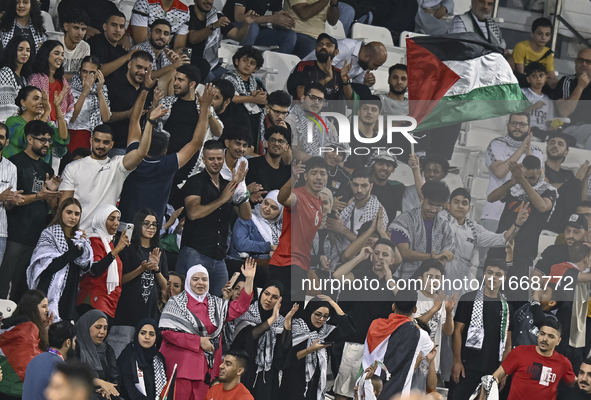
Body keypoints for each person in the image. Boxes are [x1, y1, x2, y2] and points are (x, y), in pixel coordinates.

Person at [58, 90, 163, 232]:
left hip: (103, 238)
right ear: (91, 141)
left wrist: (149, 122)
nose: (100, 145)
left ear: (112, 145)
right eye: (97, 141)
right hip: (76, 234)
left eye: (105, 142)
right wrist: (67, 234)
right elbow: (64, 205)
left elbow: (141, 153)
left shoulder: (118, 165)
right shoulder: (73, 167)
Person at [118, 81, 214, 227]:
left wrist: (145, 89)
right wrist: (205, 107)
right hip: (151, 229)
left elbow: (134, 120)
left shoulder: (132, 156)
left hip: (124, 225)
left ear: (144, 144)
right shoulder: (168, 165)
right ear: (165, 151)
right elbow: (196, 142)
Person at [159, 261, 255, 400]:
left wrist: (250, 279)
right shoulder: (175, 303)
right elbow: (167, 332)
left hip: (206, 372)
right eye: (195, 279)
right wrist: (198, 341)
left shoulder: (217, 304)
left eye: (204, 279)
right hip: (180, 369)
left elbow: (240, 307)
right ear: (188, 281)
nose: (200, 283)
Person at [178, 139, 251, 295]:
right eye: (211, 159)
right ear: (204, 160)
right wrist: (222, 199)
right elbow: (193, 213)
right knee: (190, 300)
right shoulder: (195, 182)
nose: (216, 162)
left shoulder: (227, 185)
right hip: (195, 252)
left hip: (219, 257)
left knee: (219, 303)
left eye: (219, 158)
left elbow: (246, 215)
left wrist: (241, 187)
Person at [0, 121, 62, 303]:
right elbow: (12, 200)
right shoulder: (14, 164)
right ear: (29, 139)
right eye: (42, 140)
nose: (46, 144)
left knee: (24, 285)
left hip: (36, 235)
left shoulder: (47, 169)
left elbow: (50, 207)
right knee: (4, 282)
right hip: (14, 233)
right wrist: (38, 195)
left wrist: (50, 194)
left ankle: (17, 324)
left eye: (49, 141)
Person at [488, 155, 557, 300]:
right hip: (499, 246)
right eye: (526, 177)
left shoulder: (548, 191)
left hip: (523, 253)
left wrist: (522, 181)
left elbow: (543, 206)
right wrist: (512, 182)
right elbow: (491, 198)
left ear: (540, 172)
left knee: (515, 297)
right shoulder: (514, 187)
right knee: (489, 293)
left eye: (532, 178)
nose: (528, 181)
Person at [270, 157, 328, 313]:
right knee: (285, 313)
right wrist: (293, 179)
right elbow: (282, 198)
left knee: (292, 314)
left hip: (299, 264)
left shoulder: (320, 201)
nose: (319, 177)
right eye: (314, 173)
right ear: (305, 176)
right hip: (286, 262)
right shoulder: (298, 195)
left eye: (323, 173)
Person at [450, 258, 513, 400]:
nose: (493, 278)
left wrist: (504, 372)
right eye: (490, 273)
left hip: (493, 370)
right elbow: (457, 332)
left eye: (498, 274)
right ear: (484, 273)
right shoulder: (468, 299)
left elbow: (508, 343)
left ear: (504, 278)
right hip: (466, 367)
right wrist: (457, 361)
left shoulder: (507, 307)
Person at [160, 65, 223, 207]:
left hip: (191, 168)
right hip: (167, 163)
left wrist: (206, 109)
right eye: (175, 79)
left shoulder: (202, 106)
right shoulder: (167, 103)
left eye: (180, 80)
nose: (175, 83)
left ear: (192, 84)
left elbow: (218, 132)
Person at [481, 112, 544, 252]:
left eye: (522, 124)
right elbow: (499, 172)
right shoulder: (496, 144)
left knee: (514, 262)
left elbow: (539, 182)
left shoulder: (537, 152)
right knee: (486, 263)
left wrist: (528, 153)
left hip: (524, 215)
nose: (517, 127)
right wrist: (521, 149)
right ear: (508, 125)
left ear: (529, 128)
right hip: (494, 213)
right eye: (514, 123)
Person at [444, 187, 527, 293]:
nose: (460, 206)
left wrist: (517, 223)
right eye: (456, 202)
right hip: (440, 275)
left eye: (464, 203)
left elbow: (503, 239)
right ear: (448, 205)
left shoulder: (474, 229)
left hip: (461, 280)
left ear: (469, 208)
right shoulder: (440, 221)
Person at [111, 209, 169, 356]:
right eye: (146, 224)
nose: (151, 228)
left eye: (154, 225)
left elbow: (165, 287)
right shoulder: (127, 248)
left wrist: (156, 269)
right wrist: (141, 269)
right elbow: (119, 280)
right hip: (126, 315)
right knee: (120, 357)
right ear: (138, 225)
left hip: (149, 317)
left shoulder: (159, 251)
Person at [27, 198, 93, 322]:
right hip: (48, 288)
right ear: (60, 212)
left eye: (77, 214)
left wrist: (82, 245)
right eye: (69, 212)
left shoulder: (81, 240)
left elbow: (86, 266)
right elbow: (52, 266)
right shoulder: (49, 234)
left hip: (70, 290)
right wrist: (76, 251)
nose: (73, 217)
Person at [361, 290, 435, 398]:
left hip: (368, 390)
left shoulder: (375, 324)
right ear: (415, 309)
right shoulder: (419, 334)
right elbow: (431, 345)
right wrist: (413, 322)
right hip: (396, 395)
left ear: (393, 306)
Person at [231, 282, 298, 399]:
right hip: (245, 371)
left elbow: (283, 352)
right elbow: (246, 339)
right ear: (261, 293)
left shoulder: (280, 321)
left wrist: (287, 324)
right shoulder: (247, 312)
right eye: (266, 294)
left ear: (279, 301)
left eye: (275, 297)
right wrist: (272, 319)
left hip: (267, 376)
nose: (269, 299)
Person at [283, 296, 355, 400]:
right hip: (293, 382)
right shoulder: (297, 327)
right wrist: (310, 350)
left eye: (325, 316)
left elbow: (349, 328)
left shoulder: (325, 332)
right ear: (310, 311)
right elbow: (288, 358)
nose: (321, 319)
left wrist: (333, 304)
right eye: (317, 314)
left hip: (314, 384)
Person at [485, 318, 575, 400]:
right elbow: (494, 378)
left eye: (551, 336)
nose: (544, 339)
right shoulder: (520, 352)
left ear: (558, 341)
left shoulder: (563, 363)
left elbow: (577, 384)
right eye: (542, 334)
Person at [390, 180, 455, 280]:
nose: (433, 210)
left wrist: (442, 258)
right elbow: (403, 252)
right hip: (405, 281)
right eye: (430, 204)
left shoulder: (444, 226)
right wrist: (433, 256)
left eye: (438, 206)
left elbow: (444, 257)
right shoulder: (405, 220)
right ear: (422, 199)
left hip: (431, 283)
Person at [76, 205, 129, 322]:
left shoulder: (108, 243)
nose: (116, 223)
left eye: (118, 219)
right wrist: (116, 250)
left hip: (107, 302)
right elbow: (95, 269)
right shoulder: (95, 241)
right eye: (111, 219)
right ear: (101, 220)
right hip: (93, 300)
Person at [187, 0, 256, 81]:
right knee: (219, 86)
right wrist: (213, 26)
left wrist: (246, 24)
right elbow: (193, 39)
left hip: (212, 65)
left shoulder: (215, 16)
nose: (209, 1)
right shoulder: (187, 13)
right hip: (192, 64)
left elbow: (237, 36)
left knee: (236, 80)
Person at [0, 290, 50, 397]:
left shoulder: (9, 324)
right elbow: (31, 363)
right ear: (33, 308)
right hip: (16, 390)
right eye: (44, 306)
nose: (47, 310)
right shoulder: (28, 329)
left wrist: (45, 328)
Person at [105, 50, 156, 154]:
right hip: (113, 147)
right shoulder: (112, 85)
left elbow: (147, 120)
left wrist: (155, 103)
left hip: (137, 148)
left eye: (146, 69)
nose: (142, 72)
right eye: (139, 67)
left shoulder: (149, 87)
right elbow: (104, 117)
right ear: (129, 65)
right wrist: (128, 114)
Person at [4, 86, 69, 163]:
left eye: (42, 99)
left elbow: (62, 139)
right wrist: (47, 113)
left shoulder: (47, 125)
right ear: (23, 102)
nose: (41, 102)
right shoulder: (12, 122)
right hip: (17, 172)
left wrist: (58, 108)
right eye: (36, 98)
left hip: (42, 173)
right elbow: (29, 139)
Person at [222, 46, 266, 154]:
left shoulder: (256, 82)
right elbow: (230, 97)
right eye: (245, 60)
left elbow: (264, 101)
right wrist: (253, 99)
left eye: (252, 63)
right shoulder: (228, 77)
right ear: (237, 61)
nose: (247, 65)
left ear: (256, 68)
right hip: (232, 118)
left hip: (251, 120)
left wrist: (260, 97)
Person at [545, 133, 591, 233]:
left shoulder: (568, 174)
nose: (555, 146)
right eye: (552, 143)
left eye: (560, 144)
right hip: (547, 215)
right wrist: (576, 180)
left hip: (567, 220)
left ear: (566, 153)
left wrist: (584, 179)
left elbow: (581, 201)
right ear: (547, 147)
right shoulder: (541, 168)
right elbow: (546, 187)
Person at [288, 33, 353, 101]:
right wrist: (326, 79)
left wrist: (345, 80)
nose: (323, 47)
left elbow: (350, 102)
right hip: (306, 110)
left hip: (331, 111)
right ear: (315, 50)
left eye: (328, 45)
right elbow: (301, 95)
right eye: (320, 44)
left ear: (336, 52)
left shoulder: (339, 73)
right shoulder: (304, 66)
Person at [22, 321, 76, 400]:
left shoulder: (35, 360)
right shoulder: (61, 369)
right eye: (74, 341)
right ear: (68, 343)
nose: (75, 345)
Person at [75, 309, 121, 400]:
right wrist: (99, 383)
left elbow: (115, 378)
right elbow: (73, 377)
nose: (102, 332)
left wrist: (107, 388)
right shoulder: (75, 347)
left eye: (105, 328)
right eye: (98, 327)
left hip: (104, 394)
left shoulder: (107, 349)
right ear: (86, 327)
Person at [302, 39, 388, 87]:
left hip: (330, 84)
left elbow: (356, 85)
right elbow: (320, 67)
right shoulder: (345, 47)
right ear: (366, 56)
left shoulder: (364, 62)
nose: (376, 69)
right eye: (375, 65)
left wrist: (364, 84)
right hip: (307, 74)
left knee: (363, 92)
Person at [116, 319, 167, 400]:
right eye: (143, 333)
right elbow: (127, 386)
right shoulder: (128, 354)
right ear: (137, 334)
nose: (147, 337)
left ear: (156, 337)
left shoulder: (159, 358)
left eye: (151, 334)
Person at [68, 56, 110, 152]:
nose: (88, 76)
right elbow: (72, 117)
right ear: (80, 71)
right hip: (74, 134)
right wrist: (85, 92)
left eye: (92, 72)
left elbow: (106, 117)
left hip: (94, 136)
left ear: (98, 73)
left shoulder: (102, 88)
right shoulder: (71, 87)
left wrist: (99, 91)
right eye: (84, 72)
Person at [286, 82, 337, 161]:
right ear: (303, 98)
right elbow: (291, 150)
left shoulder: (328, 125)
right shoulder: (291, 120)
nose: (316, 102)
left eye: (320, 100)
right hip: (299, 169)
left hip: (325, 170)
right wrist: (317, 163)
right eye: (312, 97)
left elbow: (337, 150)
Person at [28, 40, 76, 125]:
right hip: (40, 127)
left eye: (62, 55)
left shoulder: (63, 81)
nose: (60, 58)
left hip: (60, 130)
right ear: (46, 54)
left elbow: (70, 107)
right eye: (56, 53)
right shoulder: (35, 79)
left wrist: (62, 123)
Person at [225, 0, 297, 54]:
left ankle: (280, 68)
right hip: (232, 29)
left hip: (256, 32)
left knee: (290, 35)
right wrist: (270, 18)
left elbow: (275, 23)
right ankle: (244, 59)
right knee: (252, 26)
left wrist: (284, 21)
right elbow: (238, 18)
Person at [553, 48, 591, 146]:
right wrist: (580, 86)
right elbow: (564, 112)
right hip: (570, 129)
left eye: (588, 61)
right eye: (580, 60)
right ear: (575, 61)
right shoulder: (567, 81)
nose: (584, 64)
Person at [245, 125, 292, 204]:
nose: (276, 144)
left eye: (281, 141)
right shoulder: (252, 164)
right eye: (273, 140)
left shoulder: (288, 172)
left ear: (286, 147)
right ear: (266, 143)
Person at [231, 190, 283, 259]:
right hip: (252, 265)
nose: (267, 209)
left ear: (280, 213)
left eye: (273, 208)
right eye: (266, 203)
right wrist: (269, 247)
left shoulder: (282, 225)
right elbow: (241, 244)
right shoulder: (247, 218)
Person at [86, 11, 135, 81]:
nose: (118, 30)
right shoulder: (95, 42)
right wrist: (127, 57)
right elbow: (97, 72)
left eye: (121, 27)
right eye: (114, 25)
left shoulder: (122, 50)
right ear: (105, 27)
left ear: (124, 31)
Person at [0, 122, 22, 266]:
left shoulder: (11, 168)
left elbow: (7, 206)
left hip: (0, 232)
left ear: (7, 142)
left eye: (1, 137)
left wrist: (11, 201)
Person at [513, 17, 556, 87]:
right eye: (539, 34)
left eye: (547, 34)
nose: (543, 38)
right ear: (532, 34)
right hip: (523, 83)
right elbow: (520, 74)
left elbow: (551, 76)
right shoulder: (521, 47)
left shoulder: (548, 53)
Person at [0, 36, 32, 121]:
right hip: (7, 124)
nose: (25, 53)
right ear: (12, 51)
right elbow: (7, 105)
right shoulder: (6, 72)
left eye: (28, 50)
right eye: (20, 49)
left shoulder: (24, 79)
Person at [368, 153, 404, 223]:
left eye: (389, 165)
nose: (384, 168)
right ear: (373, 166)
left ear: (393, 169)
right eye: (380, 164)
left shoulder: (396, 191)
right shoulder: (362, 188)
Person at [521, 62, 555, 139]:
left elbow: (548, 122)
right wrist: (533, 107)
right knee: (537, 131)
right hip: (527, 129)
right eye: (534, 76)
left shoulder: (548, 100)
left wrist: (552, 126)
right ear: (528, 79)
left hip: (543, 131)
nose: (538, 79)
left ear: (545, 78)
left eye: (541, 75)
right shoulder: (522, 93)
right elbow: (515, 115)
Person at [59, 8, 91, 80]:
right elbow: (50, 75)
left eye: (83, 29)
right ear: (66, 26)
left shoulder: (85, 47)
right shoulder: (55, 43)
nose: (80, 33)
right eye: (76, 28)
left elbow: (85, 76)